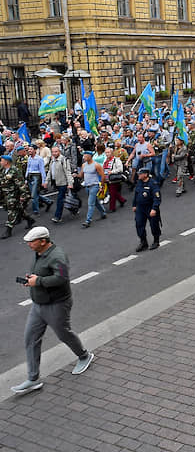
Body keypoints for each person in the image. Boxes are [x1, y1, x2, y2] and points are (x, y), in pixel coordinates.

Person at [11, 226, 94, 395]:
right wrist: (32, 280)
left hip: (56, 304)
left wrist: (39, 281)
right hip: (38, 305)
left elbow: (62, 278)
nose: (28, 245)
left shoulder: (58, 256)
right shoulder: (39, 253)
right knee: (30, 339)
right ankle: (33, 379)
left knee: (64, 334)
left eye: (31, 242)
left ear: (43, 241)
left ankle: (84, 356)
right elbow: (41, 274)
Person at [1, 153, 35, 238]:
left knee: (11, 210)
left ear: (6, 162)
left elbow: (21, 184)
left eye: (1, 160)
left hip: (13, 194)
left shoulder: (14, 170)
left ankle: (8, 230)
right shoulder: (3, 170)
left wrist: (24, 195)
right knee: (18, 208)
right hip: (5, 194)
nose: (0, 162)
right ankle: (30, 220)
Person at [132, 167, 161, 251]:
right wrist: (134, 205)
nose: (139, 175)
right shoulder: (139, 183)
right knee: (139, 224)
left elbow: (157, 198)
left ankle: (156, 241)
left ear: (145, 174)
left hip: (150, 207)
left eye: (140, 174)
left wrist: (154, 209)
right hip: (140, 208)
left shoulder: (153, 184)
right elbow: (136, 194)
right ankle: (143, 242)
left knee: (154, 225)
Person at [78, 150, 106, 228]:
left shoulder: (96, 165)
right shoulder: (84, 165)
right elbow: (81, 175)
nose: (84, 157)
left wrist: (102, 186)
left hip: (94, 186)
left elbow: (103, 176)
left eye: (86, 156)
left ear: (90, 157)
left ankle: (88, 220)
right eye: (84, 156)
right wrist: (75, 175)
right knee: (95, 201)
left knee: (90, 203)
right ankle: (103, 213)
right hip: (87, 186)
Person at [46, 145, 73, 223]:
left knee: (60, 200)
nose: (54, 153)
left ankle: (57, 216)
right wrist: (46, 181)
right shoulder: (52, 160)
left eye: (56, 152)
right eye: (53, 152)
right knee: (65, 198)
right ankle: (74, 208)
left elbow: (68, 172)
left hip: (63, 183)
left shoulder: (63, 160)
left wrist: (70, 183)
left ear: (59, 152)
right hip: (56, 182)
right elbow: (50, 172)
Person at [25, 145, 52, 215]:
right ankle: (48, 201)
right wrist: (26, 178)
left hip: (36, 176)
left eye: (31, 149)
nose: (29, 151)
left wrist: (44, 181)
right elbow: (28, 168)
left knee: (33, 195)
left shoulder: (39, 159)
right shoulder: (29, 158)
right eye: (29, 150)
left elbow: (42, 170)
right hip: (29, 176)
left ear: (35, 150)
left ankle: (35, 210)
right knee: (34, 194)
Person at [103, 147, 127, 211]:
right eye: (106, 152)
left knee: (112, 193)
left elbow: (120, 169)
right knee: (113, 192)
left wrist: (112, 172)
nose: (107, 154)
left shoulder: (116, 160)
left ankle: (112, 208)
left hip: (114, 179)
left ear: (112, 153)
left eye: (108, 152)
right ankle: (122, 200)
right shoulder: (105, 160)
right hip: (107, 178)